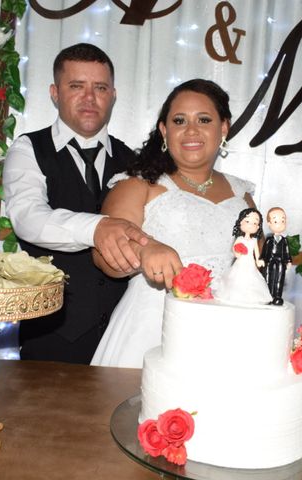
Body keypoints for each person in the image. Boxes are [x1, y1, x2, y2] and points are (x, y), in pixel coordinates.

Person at [90, 79, 257, 368]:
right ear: (165, 131)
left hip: (229, 333)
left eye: (204, 119)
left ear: (224, 128)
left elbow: (255, 264)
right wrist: (143, 252)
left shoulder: (243, 195)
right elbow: (104, 256)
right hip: (152, 329)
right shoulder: (139, 184)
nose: (191, 130)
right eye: (179, 120)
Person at [3, 43, 147, 364]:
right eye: (76, 86)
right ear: (55, 93)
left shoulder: (135, 161)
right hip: (51, 336)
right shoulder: (28, 149)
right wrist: (98, 228)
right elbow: (28, 218)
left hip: (124, 338)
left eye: (100, 87)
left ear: (113, 94)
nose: (89, 97)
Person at [214, 207, 272, 305]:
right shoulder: (240, 238)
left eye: (255, 223)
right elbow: (234, 249)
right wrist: (237, 252)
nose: (251, 225)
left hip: (250, 263)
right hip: (241, 261)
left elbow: (257, 253)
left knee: (251, 279)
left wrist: (259, 261)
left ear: (258, 227)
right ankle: (235, 295)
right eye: (247, 221)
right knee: (237, 278)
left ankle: (250, 297)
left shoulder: (254, 241)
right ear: (240, 222)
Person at [260, 207, 292, 305]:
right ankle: (268, 296)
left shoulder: (284, 241)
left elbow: (287, 252)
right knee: (268, 278)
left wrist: (289, 261)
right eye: (275, 221)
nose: (279, 224)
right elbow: (264, 251)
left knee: (279, 279)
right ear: (269, 223)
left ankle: (277, 296)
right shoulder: (269, 240)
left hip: (280, 262)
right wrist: (262, 259)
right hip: (269, 261)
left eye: (283, 221)